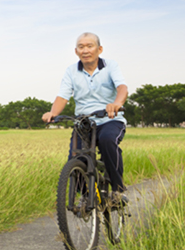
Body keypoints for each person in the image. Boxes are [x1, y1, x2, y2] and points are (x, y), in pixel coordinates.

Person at [42, 32, 128, 198]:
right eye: (81, 47)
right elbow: (63, 96)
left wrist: (117, 104)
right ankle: (89, 198)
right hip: (84, 122)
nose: (85, 50)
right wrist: (53, 112)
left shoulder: (110, 66)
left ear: (99, 49)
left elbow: (122, 88)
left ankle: (118, 190)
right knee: (75, 161)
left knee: (107, 141)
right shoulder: (71, 71)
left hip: (109, 119)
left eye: (90, 46)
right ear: (76, 51)